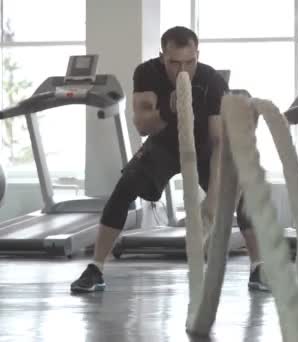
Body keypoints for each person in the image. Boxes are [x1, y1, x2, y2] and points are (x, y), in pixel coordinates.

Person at [71, 26, 269, 293]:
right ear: (162, 56)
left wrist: (212, 202)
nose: (183, 70)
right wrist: (168, 108)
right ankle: (95, 269)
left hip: (204, 145)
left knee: (242, 195)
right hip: (164, 143)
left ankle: (258, 267)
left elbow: (218, 142)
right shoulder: (147, 73)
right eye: (174, 63)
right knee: (125, 187)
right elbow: (142, 126)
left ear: (198, 54)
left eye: (190, 62)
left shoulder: (212, 82)